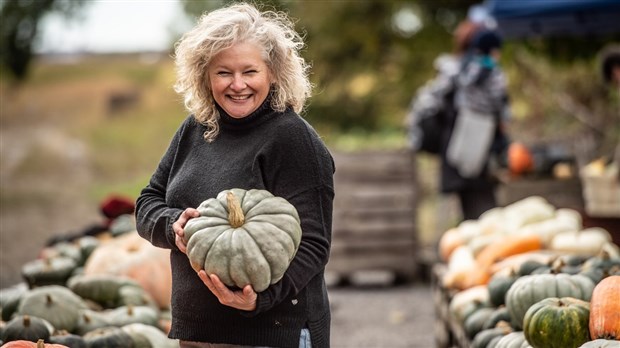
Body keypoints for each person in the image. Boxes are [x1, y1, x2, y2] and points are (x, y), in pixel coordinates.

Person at [135, 3, 335, 348]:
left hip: (270, 334)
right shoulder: (196, 129)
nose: (237, 84)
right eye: (224, 73)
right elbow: (147, 202)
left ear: (272, 73)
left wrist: (261, 299)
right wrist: (173, 227)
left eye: (250, 71)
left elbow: (314, 245)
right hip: (199, 334)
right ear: (205, 76)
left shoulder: (291, 138)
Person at [405, 24, 510, 221]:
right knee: (484, 214)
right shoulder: (491, 73)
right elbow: (502, 111)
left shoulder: (451, 71)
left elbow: (427, 105)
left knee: (470, 213)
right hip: (478, 154)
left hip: (456, 152)